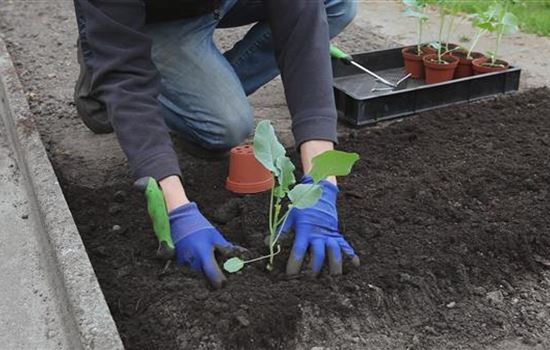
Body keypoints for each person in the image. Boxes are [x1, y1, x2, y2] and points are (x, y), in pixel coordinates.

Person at [73, 0, 360, 289]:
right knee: (226, 126)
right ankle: (102, 62)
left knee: (335, 4)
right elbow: (127, 79)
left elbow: (302, 17)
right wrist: (177, 209)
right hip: (150, 19)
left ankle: (195, 92)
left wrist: (321, 184)